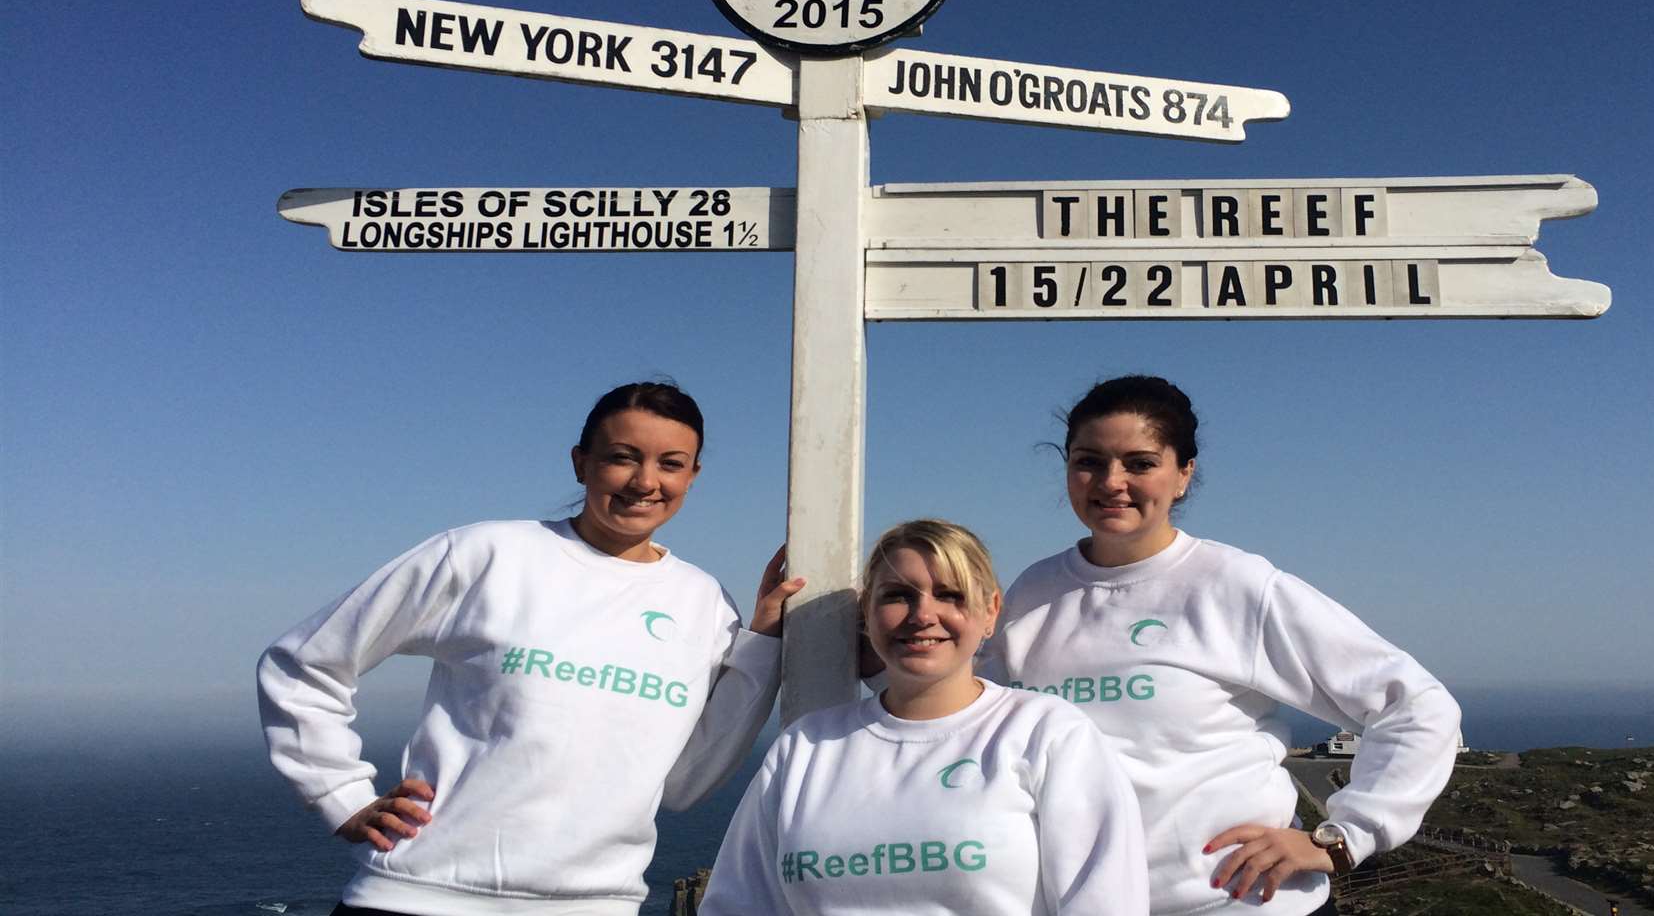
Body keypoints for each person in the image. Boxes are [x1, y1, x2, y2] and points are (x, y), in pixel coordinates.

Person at [257, 381, 802, 916]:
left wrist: (759, 647)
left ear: (693, 475)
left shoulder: (703, 603)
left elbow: (683, 783)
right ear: (580, 463)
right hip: (419, 898)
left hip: (596, 906)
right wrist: (341, 796)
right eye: (622, 457)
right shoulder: (486, 556)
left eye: (671, 463)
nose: (644, 481)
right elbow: (303, 663)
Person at [985, 375, 1462, 915]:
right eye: (1088, 461)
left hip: (1238, 903)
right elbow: (970, 710)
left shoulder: (1233, 585)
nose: (1111, 481)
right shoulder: (1033, 592)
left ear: (1183, 474)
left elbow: (1415, 705)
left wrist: (1345, 837)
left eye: (1140, 463)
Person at [700, 519, 1148, 916]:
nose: (922, 615)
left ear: (990, 612)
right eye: (897, 596)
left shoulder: (1045, 733)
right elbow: (738, 902)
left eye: (950, 595)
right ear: (867, 614)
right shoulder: (806, 747)